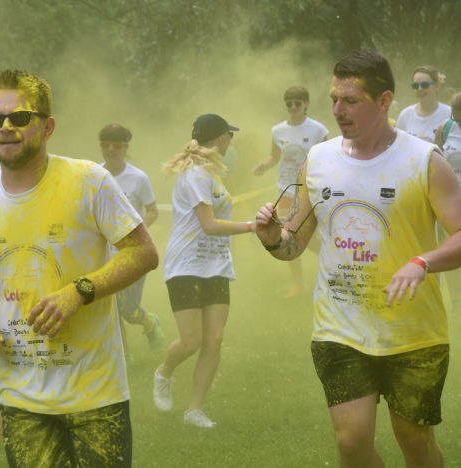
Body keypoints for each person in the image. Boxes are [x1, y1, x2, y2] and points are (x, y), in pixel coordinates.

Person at [0, 69, 159, 468]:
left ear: (47, 126)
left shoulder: (89, 180)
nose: (6, 127)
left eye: (19, 117)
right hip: (20, 398)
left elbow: (142, 251)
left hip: (96, 393)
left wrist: (79, 291)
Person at [255, 50, 461, 468]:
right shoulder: (319, 160)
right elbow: (295, 241)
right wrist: (273, 237)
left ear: (384, 101)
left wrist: (421, 263)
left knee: (415, 441)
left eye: (351, 101)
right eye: (334, 99)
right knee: (351, 443)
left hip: (413, 332)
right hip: (339, 328)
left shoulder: (425, 160)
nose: (337, 110)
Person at [152, 114, 253, 428]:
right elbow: (209, 225)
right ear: (221, 138)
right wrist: (253, 226)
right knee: (191, 340)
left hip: (216, 265)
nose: (231, 141)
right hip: (186, 264)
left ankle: (194, 410)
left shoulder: (211, 172)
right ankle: (164, 373)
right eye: (229, 136)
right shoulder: (195, 173)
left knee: (215, 337)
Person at [252, 86, 328, 298]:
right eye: (289, 103)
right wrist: (264, 166)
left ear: (306, 104)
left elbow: (326, 159)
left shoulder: (318, 130)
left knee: (309, 236)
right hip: (285, 190)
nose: (293, 107)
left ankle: (333, 261)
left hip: (310, 191)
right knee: (288, 235)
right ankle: (299, 284)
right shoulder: (278, 131)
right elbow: (275, 157)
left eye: (298, 103)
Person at [98, 123, 164, 365]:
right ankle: (123, 358)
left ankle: (150, 323)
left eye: (117, 145)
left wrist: (138, 231)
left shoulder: (138, 178)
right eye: (105, 144)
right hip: (104, 254)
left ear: (126, 147)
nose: (111, 150)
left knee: (129, 309)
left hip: (133, 252)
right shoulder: (94, 174)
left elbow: (153, 210)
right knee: (112, 308)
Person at [435, 92, 461, 325]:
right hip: (451, 201)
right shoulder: (446, 128)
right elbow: (435, 161)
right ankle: (457, 303)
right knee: (453, 252)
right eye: (457, 118)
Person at [396, 65, 451, 144]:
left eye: (425, 85)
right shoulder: (405, 116)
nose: (420, 89)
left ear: (436, 86)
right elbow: (398, 147)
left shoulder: (450, 114)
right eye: (415, 86)